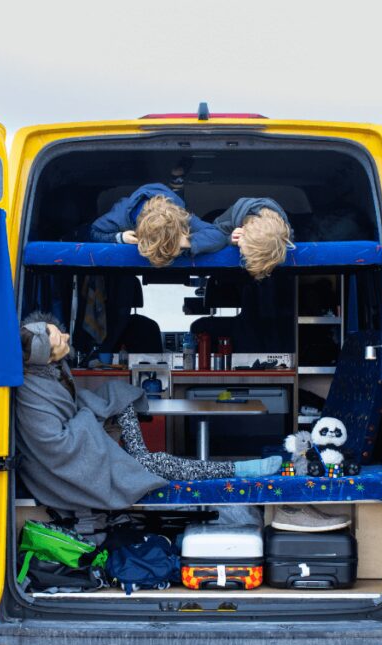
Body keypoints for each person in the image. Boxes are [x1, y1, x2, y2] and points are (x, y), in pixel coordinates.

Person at [15, 313, 281, 513]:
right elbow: (54, 446)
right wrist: (87, 418)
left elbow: (71, 414)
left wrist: (90, 412)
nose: (67, 337)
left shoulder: (53, 372)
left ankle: (141, 460)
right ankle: (235, 470)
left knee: (117, 394)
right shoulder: (32, 391)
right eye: (59, 338)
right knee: (156, 463)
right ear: (45, 356)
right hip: (62, 470)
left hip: (79, 442)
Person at [88, 183, 228, 267]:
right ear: (140, 235)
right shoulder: (119, 216)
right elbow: (92, 232)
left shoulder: (180, 218)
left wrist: (187, 241)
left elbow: (219, 236)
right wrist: (119, 238)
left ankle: (177, 183)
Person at [213, 197, 294, 280]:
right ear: (242, 230)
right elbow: (212, 233)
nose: (240, 251)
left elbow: (282, 245)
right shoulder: (234, 215)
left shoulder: (282, 232)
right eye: (242, 250)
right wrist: (229, 239)